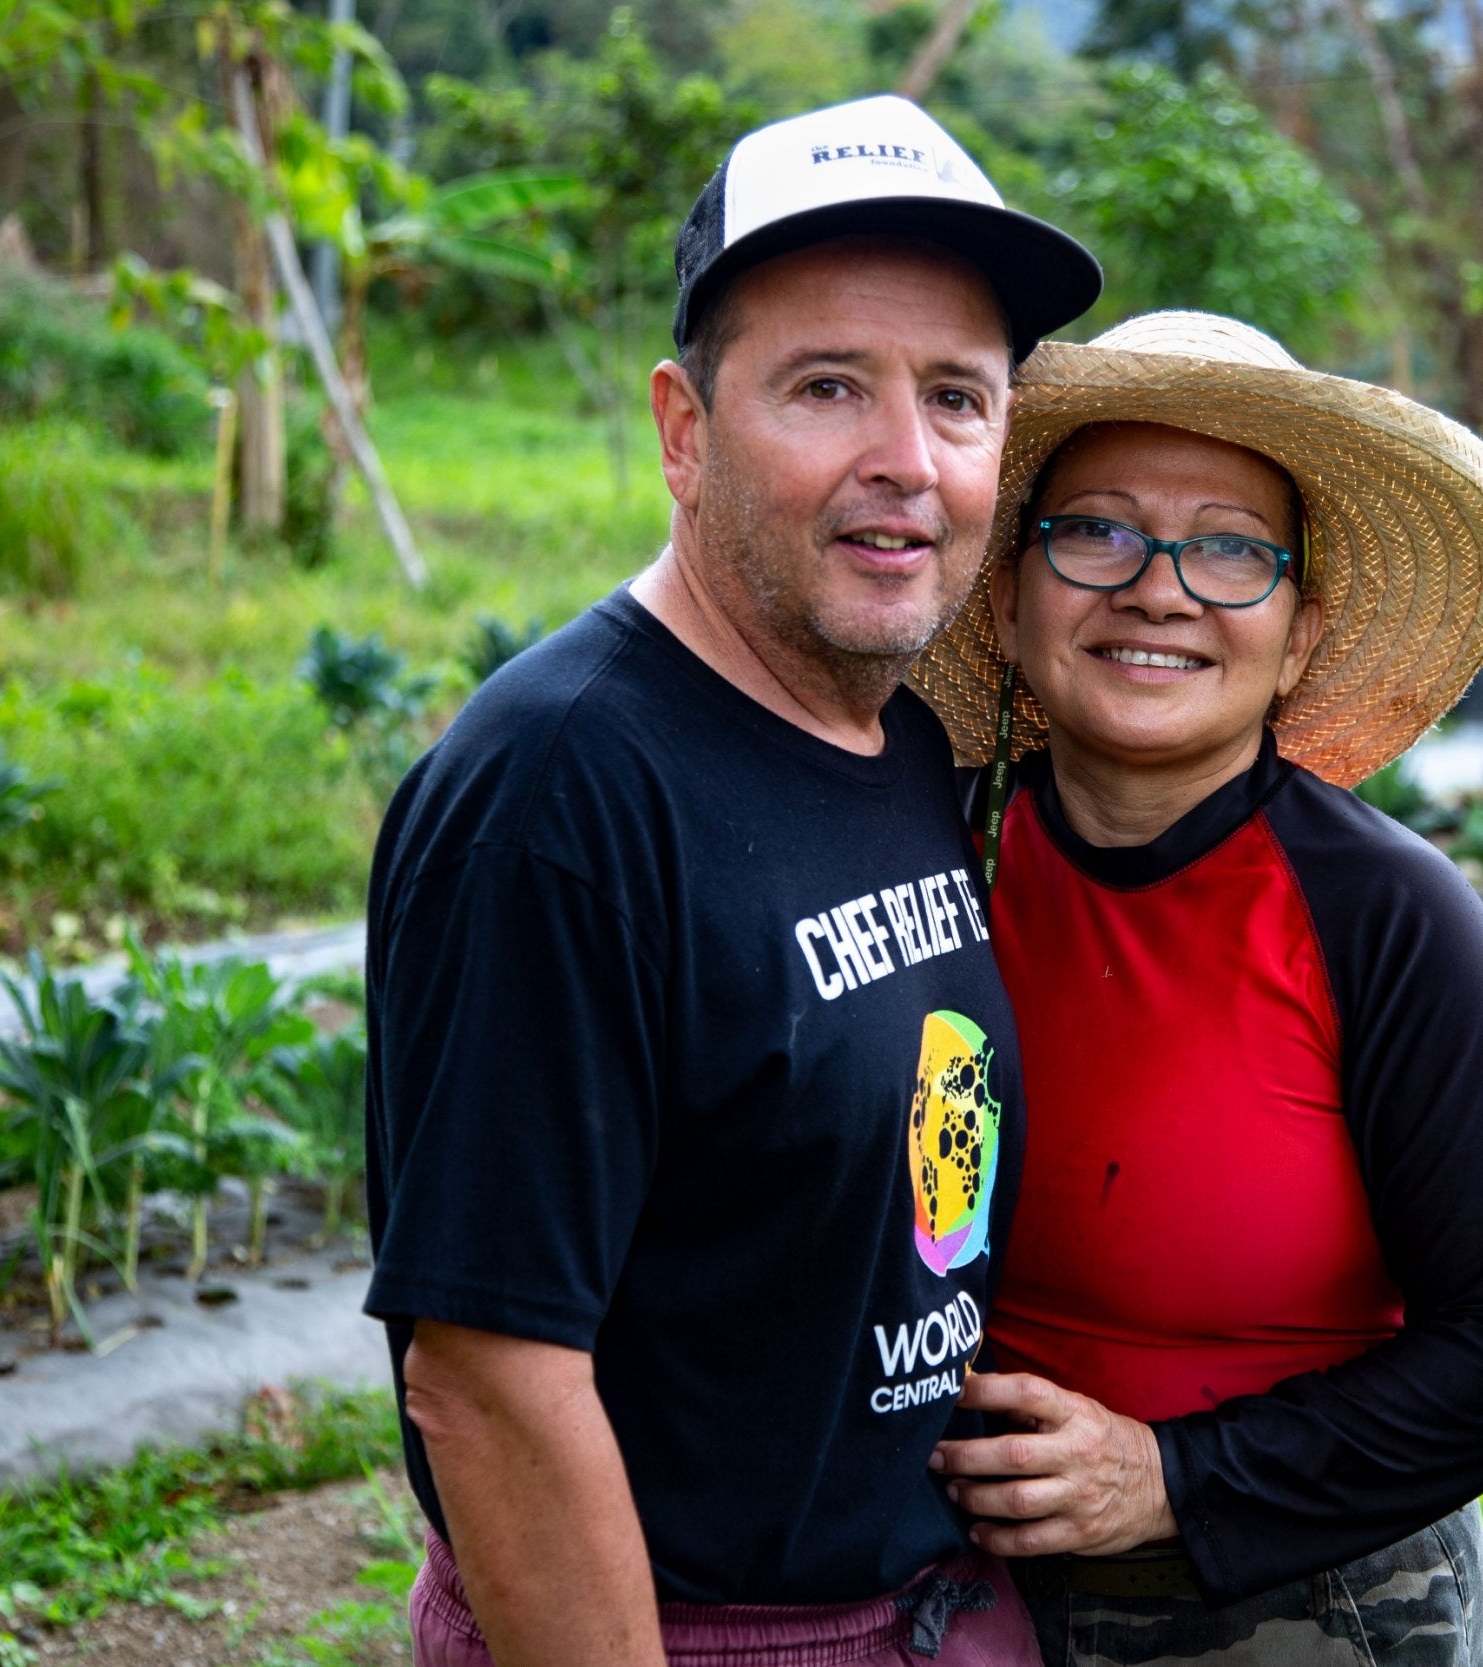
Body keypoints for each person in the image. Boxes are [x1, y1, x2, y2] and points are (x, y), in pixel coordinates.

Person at [361, 94, 1099, 1667]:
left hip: (928, 1605)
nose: (907, 462)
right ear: (683, 432)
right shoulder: (561, 797)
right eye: (828, 387)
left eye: (959, 400)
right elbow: (487, 1378)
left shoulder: (904, 738)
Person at [913, 312, 1483, 1665]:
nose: (1159, 589)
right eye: (1096, 532)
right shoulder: (927, 858)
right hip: (944, 1593)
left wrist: (1170, 1476)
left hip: (1303, 1608)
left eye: (1231, 548)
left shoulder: (1384, 919)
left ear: (1299, 635)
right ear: (1007, 597)